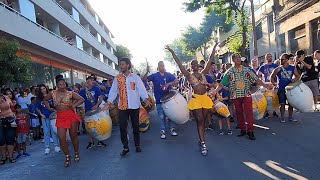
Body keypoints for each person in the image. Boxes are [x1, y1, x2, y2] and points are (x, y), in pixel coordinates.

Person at [166, 43, 218, 156]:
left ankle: (201, 139)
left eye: (196, 64)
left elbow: (210, 60)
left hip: (205, 99)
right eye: (192, 64)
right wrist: (172, 52)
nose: (194, 65)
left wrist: (214, 47)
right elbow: (179, 64)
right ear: (190, 66)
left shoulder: (203, 73)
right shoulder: (188, 75)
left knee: (204, 122)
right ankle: (203, 143)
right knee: (199, 120)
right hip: (196, 99)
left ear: (198, 65)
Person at [102, 57, 151, 157]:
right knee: (122, 128)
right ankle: (125, 147)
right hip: (122, 107)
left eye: (123, 64)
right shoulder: (117, 78)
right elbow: (113, 92)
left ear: (128, 65)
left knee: (136, 127)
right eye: (120, 64)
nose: (121, 66)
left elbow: (141, 89)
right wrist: (108, 102)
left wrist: (145, 99)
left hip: (134, 106)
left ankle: (137, 145)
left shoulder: (135, 78)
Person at [219, 53, 273, 140]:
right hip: (235, 95)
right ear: (233, 60)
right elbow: (222, 84)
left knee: (248, 112)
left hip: (246, 94)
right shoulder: (229, 72)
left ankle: (250, 131)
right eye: (236, 58)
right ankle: (243, 129)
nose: (238, 59)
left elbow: (256, 79)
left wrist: (265, 85)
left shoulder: (247, 70)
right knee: (239, 113)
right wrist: (215, 91)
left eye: (239, 58)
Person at [43, 77, 84, 167]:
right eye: (60, 84)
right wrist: (49, 108)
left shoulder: (70, 93)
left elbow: (81, 99)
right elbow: (45, 100)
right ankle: (67, 155)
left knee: (73, 136)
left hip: (70, 115)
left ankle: (76, 152)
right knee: (61, 138)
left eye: (64, 84)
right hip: (60, 116)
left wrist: (73, 105)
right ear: (57, 85)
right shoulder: (52, 93)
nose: (62, 86)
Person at [143, 61, 178, 139]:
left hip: (169, 100)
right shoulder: (155, 76)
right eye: (160, 66)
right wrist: (146, 71)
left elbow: (176, 81)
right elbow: (144, 80)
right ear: (158, 67)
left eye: (163, 65)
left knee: (170, 115)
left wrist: (169, 84)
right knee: (161, 116)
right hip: (159, 100)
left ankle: (172, 129)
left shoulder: (168, 75)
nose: (162, 67)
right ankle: (163, 130)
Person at [270, 53, 300, 122]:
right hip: (281, 89)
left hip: (290, 89)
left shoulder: (292, 67)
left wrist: (294, 80)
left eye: (282, 59)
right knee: (282, 103)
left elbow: (297, 76)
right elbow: (271, 77)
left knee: (291, 104)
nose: (280, 60)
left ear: (287, 60)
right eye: (280, 59)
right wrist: (274, 84)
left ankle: (290, 117)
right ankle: (282, 117)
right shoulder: (278, 69)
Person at [79, 76, 106, 149]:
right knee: (89, 127)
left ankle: (100, 140)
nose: (92, 82)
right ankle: (91, 142)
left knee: (98, 125)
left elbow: (100, 98)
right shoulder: (82, 91)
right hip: (87, 111)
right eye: (90, 81)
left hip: (96, 110)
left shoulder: (96, 88)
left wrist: (96, 105)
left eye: (92, 81)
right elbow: (79, 99)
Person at [36, 84, 60, 154]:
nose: (43, 90)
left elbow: (56, 104)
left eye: (44, 88)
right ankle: (47, 147)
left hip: (52, 116)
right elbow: (37, 108)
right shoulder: (39, 98)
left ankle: (56, 146)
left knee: (54, 131)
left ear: (46, 88)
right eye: (41, 89)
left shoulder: (51, 95)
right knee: (46, 132)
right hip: (45, 117)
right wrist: (41, 114)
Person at [257, 53, 279, 118]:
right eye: (268, 56)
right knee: (266, 99)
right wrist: (261, 80)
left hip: (273, 84)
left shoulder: (275, 65)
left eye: (270, 56)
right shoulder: (263, 66)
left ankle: (274, 111)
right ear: (265, 58)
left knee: (274, 99)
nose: (269, 57)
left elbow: (279, 73)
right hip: (266, 85)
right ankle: (266, 112)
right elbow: (258, 74)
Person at [0, 93, 17, 164]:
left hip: (10, 119)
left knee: (10, 138)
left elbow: (11, 106)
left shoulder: (6, 97)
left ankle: (11, 156)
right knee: (1, 139)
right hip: (0, 121)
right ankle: (4, 157)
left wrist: (13, 104)